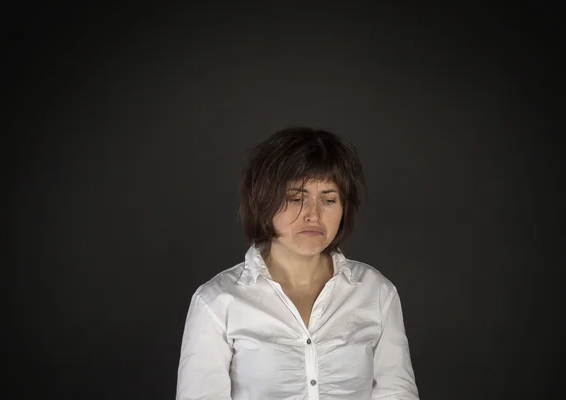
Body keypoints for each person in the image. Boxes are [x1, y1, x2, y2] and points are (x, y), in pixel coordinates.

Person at [176, 127, 419, 399]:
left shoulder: (376, 293)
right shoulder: (217, 302)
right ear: (263, 203)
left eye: (328, 200)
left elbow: (396, 393)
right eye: (295, 199)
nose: (313, 215)